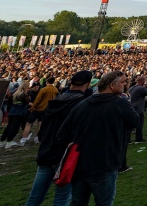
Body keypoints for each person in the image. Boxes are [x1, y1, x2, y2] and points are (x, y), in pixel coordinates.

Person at [56, 71, 139, 206]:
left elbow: (62, 134)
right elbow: (134, 122)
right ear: (112, 85)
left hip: (79, 161)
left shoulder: (82, 104)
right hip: (104, 162)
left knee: (77, 202)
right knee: (104, 202)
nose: (125, 85)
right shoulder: (119, 104)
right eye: (123, 82)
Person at [24, 70, 92, 206]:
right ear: (88, 84)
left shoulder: (57, 99)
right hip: (64, 154)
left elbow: (42, 129)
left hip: (46, 151)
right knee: (62, 198)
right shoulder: (82, 104)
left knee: (35, 197)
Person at [22, 77, 58, 145]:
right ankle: (37, 138)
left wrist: (33, 107)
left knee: (28, 123)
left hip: (38, 108)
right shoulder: (55, 90)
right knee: (40, 124)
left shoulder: (44, 89)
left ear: (47, 82)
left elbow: (38, 99)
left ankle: (24, 138)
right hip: (47, 109)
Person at [0, 81, 31, 148]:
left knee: (9, 127)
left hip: (13, 111)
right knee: (14, 127)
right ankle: (9, 141)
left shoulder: (15, 93)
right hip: (20, 112)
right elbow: (28, 103)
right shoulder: (24, 94)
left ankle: (2, 141)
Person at [128, 75, 147, 144]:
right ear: (142, 81)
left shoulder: (132, 88)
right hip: (138, 108)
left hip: (132, 107)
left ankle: (128, 139)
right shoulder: (140, 88)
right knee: (139, 124)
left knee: (130, 125)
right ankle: (139, 139)